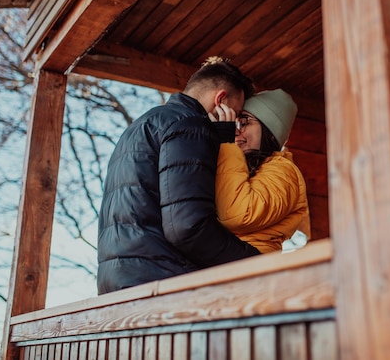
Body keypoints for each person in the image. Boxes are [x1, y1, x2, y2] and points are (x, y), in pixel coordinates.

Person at [97, 57, 260, 294]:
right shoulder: (189, 125)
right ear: (221, 100)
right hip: (161, 280)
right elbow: (187, 226)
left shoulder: (142, 125)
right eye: (234, 115)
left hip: (118, 281)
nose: (235, 128)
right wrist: (253, 261)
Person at [213, 89, 311, 253]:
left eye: (244, 122)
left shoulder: (284, 171)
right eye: (234, 122)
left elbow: (240, 214)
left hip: (252, 269)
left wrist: (225, 144)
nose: (235, 131)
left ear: (268, 130)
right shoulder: (234, 165)